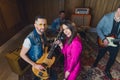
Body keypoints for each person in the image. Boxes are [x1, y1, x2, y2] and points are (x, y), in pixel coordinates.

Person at [20, 16, 57, 80]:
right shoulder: (29, 39)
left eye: (44, 24)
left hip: (44, 60)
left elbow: (45, 44)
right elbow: (22, 54)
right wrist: (34, 65)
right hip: (36, 64)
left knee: (52, 75)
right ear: (35, 25)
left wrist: (53, 43)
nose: (43, 27)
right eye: (40, 24)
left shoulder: (43, 33)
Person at [92, 5, 120, 80]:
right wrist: (103, 38)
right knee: (101, 54)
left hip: (115, 40)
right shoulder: (106, 17)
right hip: (104, 39)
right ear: (118, 10)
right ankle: (96, 62)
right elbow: (98, 28)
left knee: (113, 57)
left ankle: (107, 70)